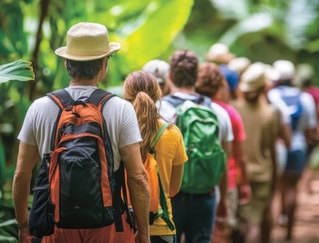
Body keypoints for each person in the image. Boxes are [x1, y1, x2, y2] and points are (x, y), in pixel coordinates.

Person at [13, 22, 150, 243]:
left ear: (67, 63)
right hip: (110, 224)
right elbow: (137, 177)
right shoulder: (121, 109)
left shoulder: (39, 107)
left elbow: (21, 174)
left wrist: (23, 225)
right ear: (104, 64)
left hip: (55, 223)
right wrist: (143, 232)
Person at [158, 50, 234, 243]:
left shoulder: (159, 110)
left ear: (170, 76)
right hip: (205, 196)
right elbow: (223, 162)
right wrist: (223, 200)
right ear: (196, 76)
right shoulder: (217, 112)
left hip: (167, 199)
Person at [123, 71, 188, 243]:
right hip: (161, 226)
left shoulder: (117, 131)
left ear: (126, 96)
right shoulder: (172, 133)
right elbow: (174, 189)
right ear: (158, 95)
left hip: (124, 227)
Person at [195, 63, 251, 243]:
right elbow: (235, 156)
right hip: (226, 181)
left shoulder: (186, 110)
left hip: (192, 182)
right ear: (220, 86)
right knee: (221, 233)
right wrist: (244, 184)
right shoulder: (228, 113)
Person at [268, 60, 317, 241]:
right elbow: (310, 129)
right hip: (297, 147)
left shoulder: (271, 96)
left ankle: (271, 233)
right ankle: (289, 232)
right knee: (291, 189)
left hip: (276, 149)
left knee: (275, 190)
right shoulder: (305, 98)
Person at [233, 62, 280, 243]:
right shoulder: (270, 113)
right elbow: (271, 148)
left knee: (239, 223)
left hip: (238, 174)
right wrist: (275, 176)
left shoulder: (234, 108)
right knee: (254, 223)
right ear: (263, 87)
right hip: (262, 173)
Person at [297, 63, 319, 193]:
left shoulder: (298, 93)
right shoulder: (317, 92)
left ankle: (302, 182)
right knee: (310, 157)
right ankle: (306, 182)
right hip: (314, 130)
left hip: (300, 131)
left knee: (303, 157)